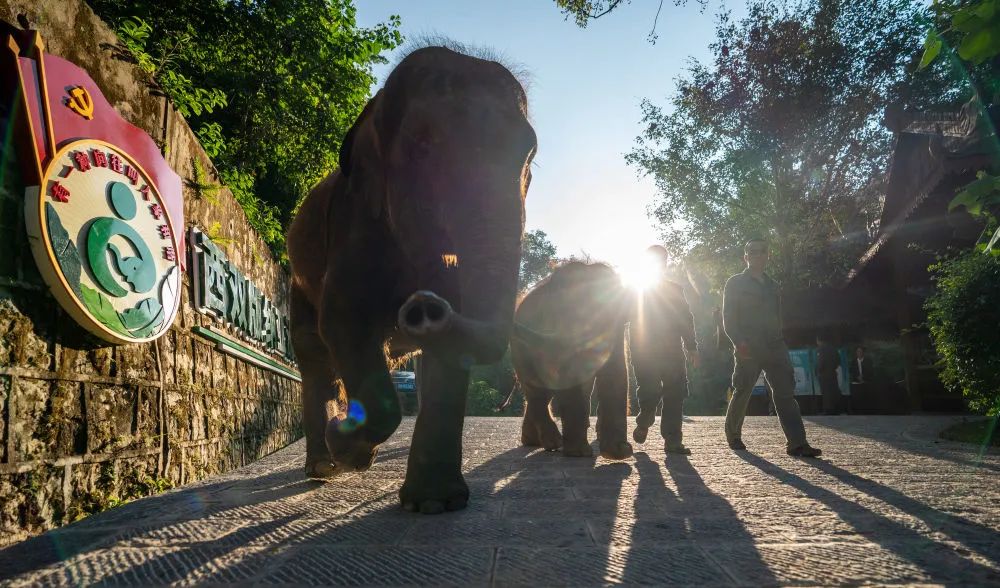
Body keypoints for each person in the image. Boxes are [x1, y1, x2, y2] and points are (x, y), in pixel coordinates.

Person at [722, 239, 822, 457]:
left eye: (762, 252)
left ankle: (797, 442)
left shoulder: (773, 285)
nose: (758, 255)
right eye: (753, 252)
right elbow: (728, 317)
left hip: (775, 345)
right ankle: (734, 435)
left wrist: (782, 339)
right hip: (748, 344)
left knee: (786, 392)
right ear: (745, 257)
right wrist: (739, 341)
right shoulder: (735, 283)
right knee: (743, 389)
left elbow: (778, 316)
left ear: (768, 255)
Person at [630, 246, 700, 455]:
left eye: (662, 259)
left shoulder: (675, 289)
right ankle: (645, 420)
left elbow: (685, 319)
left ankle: (672, 440)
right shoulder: (636, 290)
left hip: (672, 351)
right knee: (650, 391)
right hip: (644, 350)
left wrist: (692, 347)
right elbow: (621, 316)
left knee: (675, 394)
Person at [815, 333, 842, 415]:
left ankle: (828, 410)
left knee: (826, 392)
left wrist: (818, 371)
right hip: (833, 374)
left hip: (824, 375)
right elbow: (838, 361)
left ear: (819, 341)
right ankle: (836, 409)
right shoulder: (833, 348)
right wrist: (832, 368)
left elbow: (820, 363)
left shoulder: (820, 349)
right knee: (833, 391)